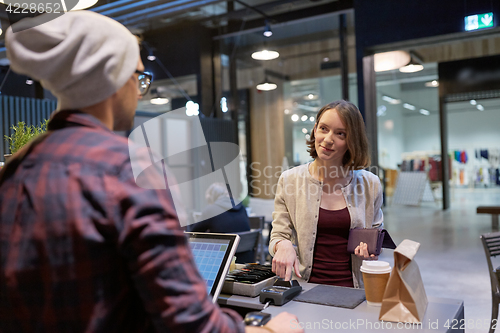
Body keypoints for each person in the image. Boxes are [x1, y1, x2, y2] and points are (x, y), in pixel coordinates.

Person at [0, 12, 302, 333]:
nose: (140, 91)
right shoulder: (130, 170)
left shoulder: (17, 169)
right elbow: (190, 324)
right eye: (140, 77)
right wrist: (270, 331)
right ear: (118, 78)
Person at [269, 100, 383, 288]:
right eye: (323, 128)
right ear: (315, 130)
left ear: (352, 141)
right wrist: (283, 245)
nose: (328, 139)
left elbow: (376, 236)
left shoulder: (370, 184)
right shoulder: (290, 180)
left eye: (340, 134)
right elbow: (278, 236)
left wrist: (371, 250)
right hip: (304, 290)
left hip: (354, 291)